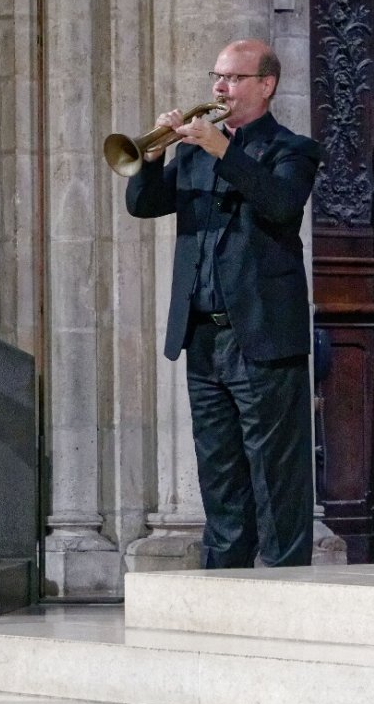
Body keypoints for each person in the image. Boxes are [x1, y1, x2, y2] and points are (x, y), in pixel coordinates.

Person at [125, 39, 322, 568]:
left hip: (261, 335)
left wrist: (224, 151)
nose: (219, 88)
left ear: (266, 85)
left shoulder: (292, 149)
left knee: (275, 472)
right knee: (219, 469)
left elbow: (281, 205)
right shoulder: (192, 151)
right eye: (217, 76)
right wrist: (152, 158)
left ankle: (284, 586)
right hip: (203, 336)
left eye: (233, 78)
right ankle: (224, 584)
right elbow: (143, 205)